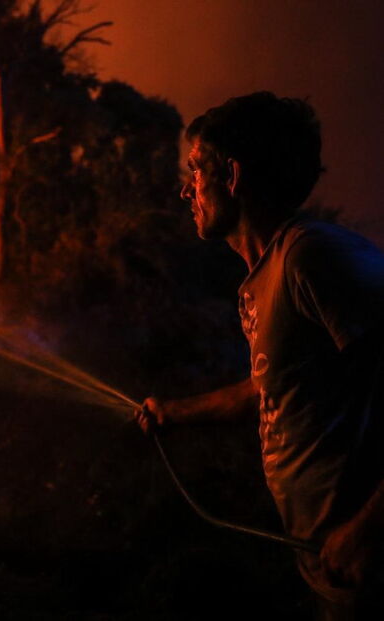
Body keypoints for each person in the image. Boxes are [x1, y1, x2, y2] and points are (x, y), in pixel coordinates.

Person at [134, 91, 384, 619]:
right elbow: (273, 385)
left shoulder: (312, 256)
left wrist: (368, 528)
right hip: (329, 563)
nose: (186, 189)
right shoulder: (265, 277)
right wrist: (174, 413)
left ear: (233, 175)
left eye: (196, 169)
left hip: (368, 561)